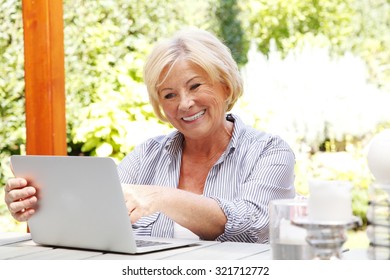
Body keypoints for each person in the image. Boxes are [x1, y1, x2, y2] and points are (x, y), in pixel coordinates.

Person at [3, 28, 295, 243]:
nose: (184, 104)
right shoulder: (148, 155)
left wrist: (159, 197)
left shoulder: (269, 151)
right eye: (169, 94)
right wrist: (37, 205)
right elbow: (96, 210)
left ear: (226, 87)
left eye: (195, 86)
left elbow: (255, 223)